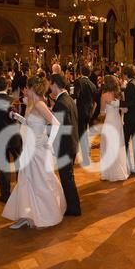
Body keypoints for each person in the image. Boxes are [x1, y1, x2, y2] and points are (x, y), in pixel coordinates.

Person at [2, 76, 66, 228]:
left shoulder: (39, 104)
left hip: (39, 149)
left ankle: (44, 215)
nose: (25, 90)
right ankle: (27, 215)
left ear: (32, 89)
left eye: (26, 88)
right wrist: (16, 116)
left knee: (40, 182)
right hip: (29, 148)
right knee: (25, 181)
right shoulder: (32, 104)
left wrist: (49, 143)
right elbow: (30, 123)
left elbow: (56, 123)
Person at [50, 74, 82, 216]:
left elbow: (60, 128)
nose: (50, 88)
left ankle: (74, 208)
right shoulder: (68, 99)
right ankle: (73, 206)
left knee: (67, 177)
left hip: (65, 145)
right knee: (68, 176)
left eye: (50, 85)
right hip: (72, 142)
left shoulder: (61, 103)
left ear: (55, 84)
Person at [0, 77, 22, 203]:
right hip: (13, 135)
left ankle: (5, 195)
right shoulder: (13, 100)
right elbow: (16, 118)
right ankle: (21, 190)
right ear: (6, 87)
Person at [99, 75, 129, 181]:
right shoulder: (119, 94)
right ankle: (119, 172)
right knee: (118, 145)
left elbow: (102, 113)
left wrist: (104, 111)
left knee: (108, 146)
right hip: (117, 121)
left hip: (109, 121)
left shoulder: (104, 95)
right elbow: (125, 110)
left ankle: (109, 173)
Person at [73, 66, 97, 167]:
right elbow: (95, 101)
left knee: (81, 135)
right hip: (89, 113)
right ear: (89, 74)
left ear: (81, 72)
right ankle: (87, 154)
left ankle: (86, 159)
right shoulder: (93, 85)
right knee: (85, 134)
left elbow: (76, 95)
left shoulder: (78, 82)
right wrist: (92, 113)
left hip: (80, 112)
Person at [121, 66, 135, 173]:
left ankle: (128, 166)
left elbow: (131, 102)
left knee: (125, 142)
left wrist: (118, 103)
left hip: (131, 119)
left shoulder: (130, 85)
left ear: (126, 74)